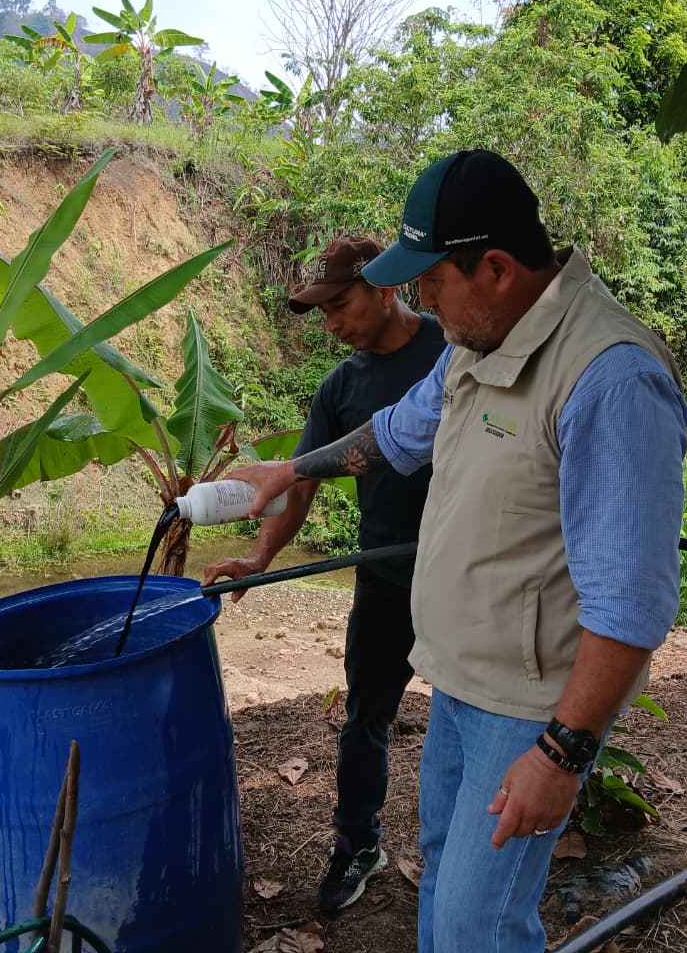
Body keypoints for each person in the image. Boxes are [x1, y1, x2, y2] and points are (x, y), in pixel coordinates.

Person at [224, 150, 687, 953]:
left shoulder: (610, 379)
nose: (424, 301)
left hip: (530, 708)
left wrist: (562, 753)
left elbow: (631, 605)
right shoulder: (476, 343)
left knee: (481, 925)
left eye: (433, 281)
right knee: (443, 882)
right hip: (460, 679)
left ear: (498, 269)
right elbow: (399, 434)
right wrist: (289, 472)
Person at [203, 235, 447, 912]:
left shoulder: (453, 350)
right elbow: (300, 484)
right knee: (366, 714)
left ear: (386, 289)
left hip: (464, 576)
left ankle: (478, 847)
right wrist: (260, 556)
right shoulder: (341, 387)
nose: (332, 324)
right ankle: (357, 843)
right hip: (383, 575)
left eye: (341, 306)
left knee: (473, 708)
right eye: (324, 312)